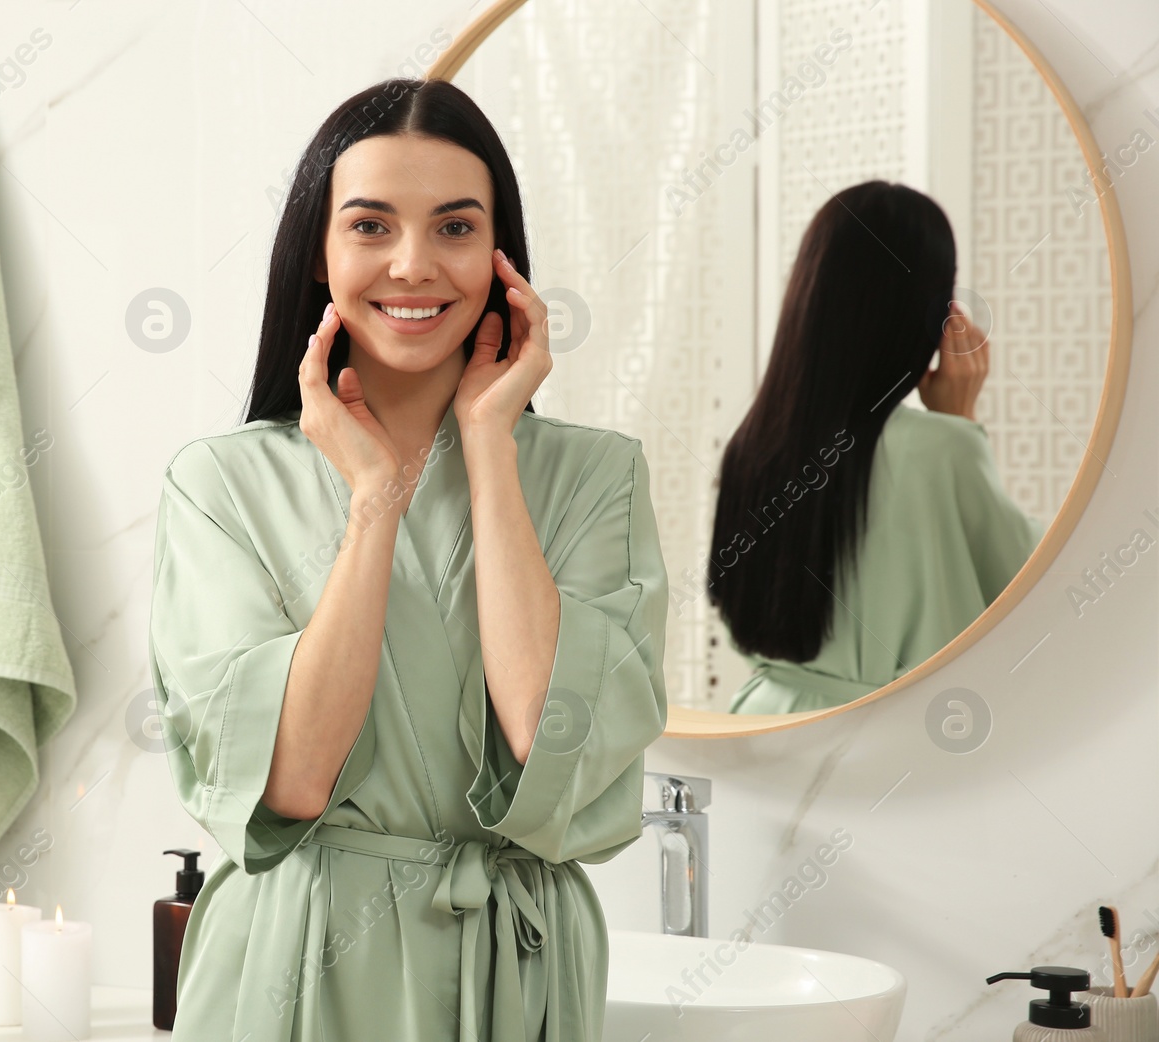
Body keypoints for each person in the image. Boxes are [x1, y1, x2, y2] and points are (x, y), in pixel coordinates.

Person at [147, 77, 669, 1040]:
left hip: (516, 966)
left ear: (502, 256)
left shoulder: (598, 478)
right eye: (372, 226)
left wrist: (490, 448)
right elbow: (296, 780)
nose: (416, 264)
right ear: (319, 250)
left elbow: (546, 738)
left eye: (457, 228)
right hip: (296, 961)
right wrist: (374, 503)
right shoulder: (220, 485)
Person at [708, 180, 1044, 716]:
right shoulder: (940, 450)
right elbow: (1028, 588)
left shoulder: (751, 446)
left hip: (764, 727)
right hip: (894, 739)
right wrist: (961, 419)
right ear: (931, 308)